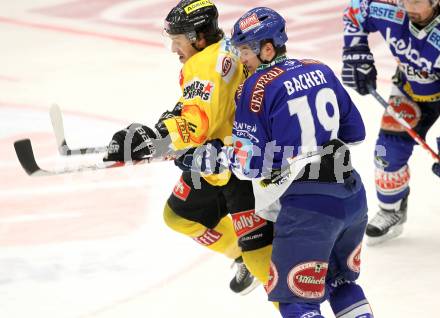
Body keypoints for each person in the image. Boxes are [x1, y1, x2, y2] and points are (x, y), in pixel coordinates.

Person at [103, 0, 273, 294]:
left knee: (268, 268)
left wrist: (154, 137)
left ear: (198, 37)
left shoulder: (202, 66)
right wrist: (170, 119)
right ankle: (240, 253)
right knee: (179, 216)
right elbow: (205, 104)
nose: (174, 49)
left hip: (240, 170)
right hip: (219, 159)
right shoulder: (228, 49)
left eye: (178, 41)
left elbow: (196, 126)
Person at [226, 7, 374, 318]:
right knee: (341, 282)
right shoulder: (318, 68)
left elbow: (250, 165)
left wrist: (221, 155)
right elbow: (356, 133)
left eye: (244, 51)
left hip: (308, 208)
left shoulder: (254, 87)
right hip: (352, 195)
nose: (242, 60)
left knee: (298, 302)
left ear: (267, 48)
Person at [342, 0, 440, 245]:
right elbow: (355, 12)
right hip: (409, 89)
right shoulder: (389, 6)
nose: (408, 7)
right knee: (386, 154)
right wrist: (356, 54)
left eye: (416, 1)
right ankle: (391, 209)